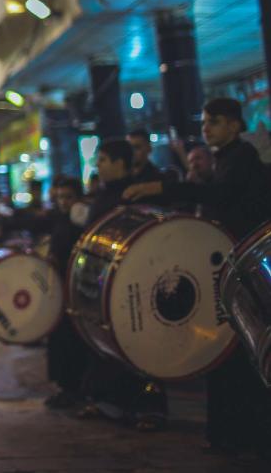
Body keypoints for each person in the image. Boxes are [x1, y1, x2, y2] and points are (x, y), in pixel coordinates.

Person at [125, 98, 271, 457]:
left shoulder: (242, 159)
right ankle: (228, 435)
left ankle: (243, 437)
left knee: (237, 358)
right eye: (205, 121)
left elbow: (220, 196)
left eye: (215, 122)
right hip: (230, 265)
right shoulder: (226, 159)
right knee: (224, 357)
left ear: (235, 126)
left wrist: (163, 188)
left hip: (244, 270)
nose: (207, 128)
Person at [79, 138, 168, 431]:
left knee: (139, 344)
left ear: (120, 163)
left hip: (134, 282)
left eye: (103, 160)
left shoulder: (135, 194)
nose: (98, 166)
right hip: (103, 284)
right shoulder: (105, 195)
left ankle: (148, 407)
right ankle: (110, 402)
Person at [44, 176, 91, 409]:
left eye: (68, 197)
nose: (63, 202)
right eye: (60, 197)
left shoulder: (81, 219)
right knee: (59, 339)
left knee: (72, 340)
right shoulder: (60, 219)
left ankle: (75, 389)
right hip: (59, 287)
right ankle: (64, 388)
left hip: (73, 287)